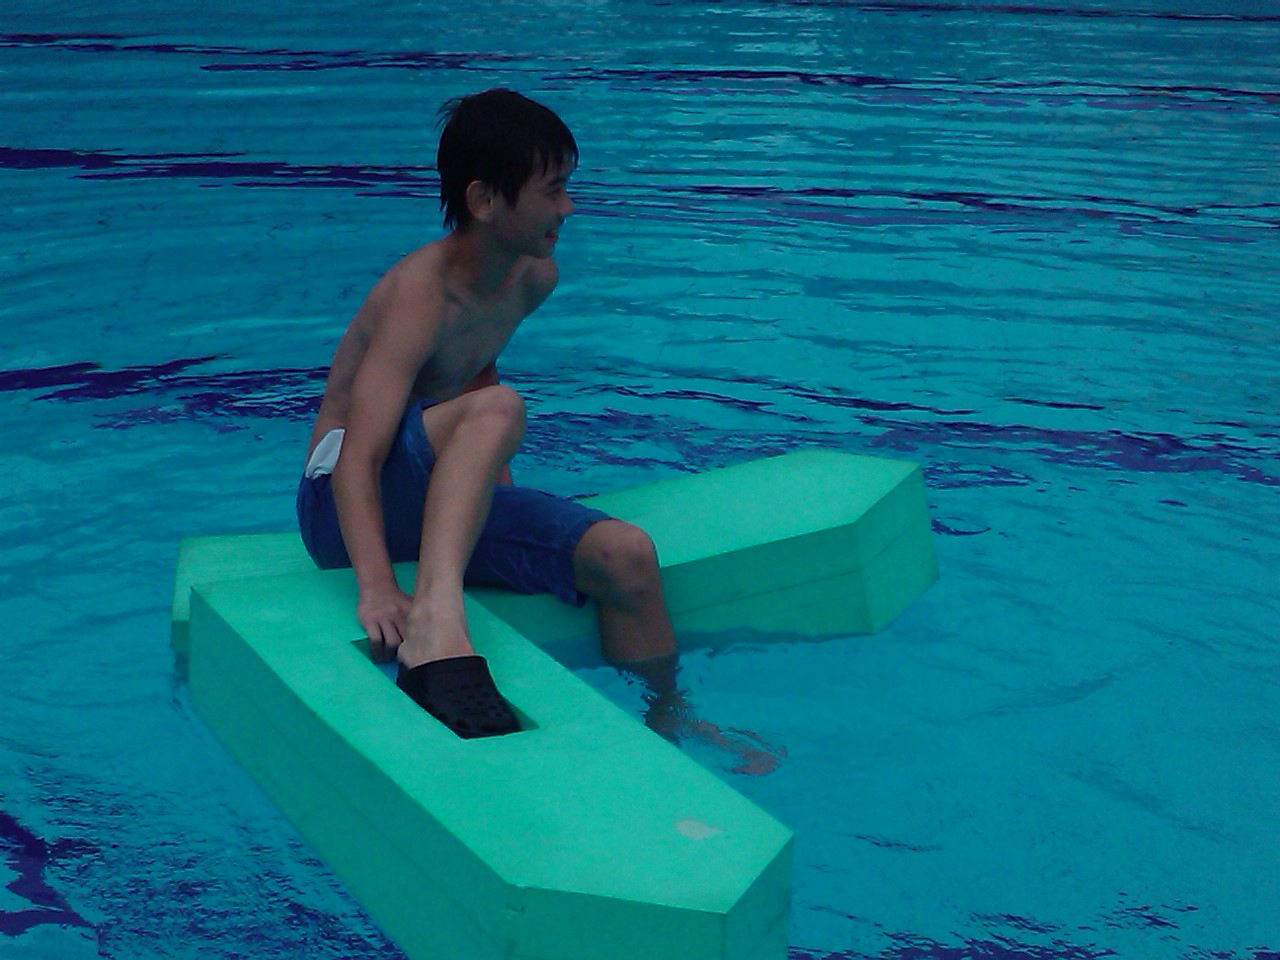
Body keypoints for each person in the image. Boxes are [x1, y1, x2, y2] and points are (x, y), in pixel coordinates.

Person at [296, 88, 679, 739]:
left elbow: (472, 369)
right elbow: (358, 454)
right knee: (500, 409)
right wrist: (377, 587)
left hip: (427, 495)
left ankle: (669, 722)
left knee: (627, 556)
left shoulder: (531, 277)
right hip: (339, 506)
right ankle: (435, 621)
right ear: (483, 201)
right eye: (552, 191)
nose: (568, 207)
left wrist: (496, 497)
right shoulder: (419, 296)